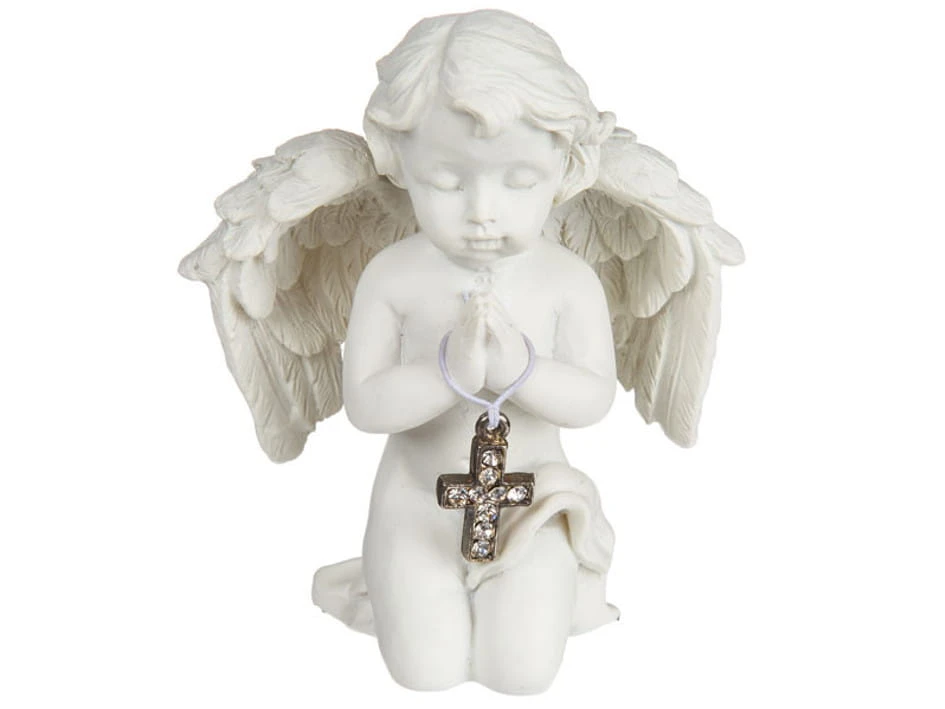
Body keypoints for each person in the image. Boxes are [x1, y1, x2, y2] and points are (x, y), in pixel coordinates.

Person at [314, 10, 620, 694]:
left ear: (565, 167)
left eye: (519, 181)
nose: (483, 210)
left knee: (522, 674)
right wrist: (448, 372)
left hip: (530, 507)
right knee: (423, 674)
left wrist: (522, 372)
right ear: (400, 165)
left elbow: (593, 398)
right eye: (448, 182)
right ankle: (396, 588)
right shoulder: (392, 275)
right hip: (414, 507)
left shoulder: (567, 280)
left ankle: (533, 589)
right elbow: (365, 405)